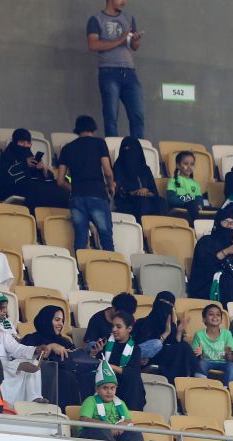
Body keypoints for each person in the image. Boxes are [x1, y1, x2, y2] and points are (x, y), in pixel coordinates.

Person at [56, 115, 115, 252]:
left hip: (77, 197)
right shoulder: (99, 143)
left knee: (81, 238)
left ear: (77, 129)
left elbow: (59, 181)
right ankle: (110, 267)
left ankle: (80, 269)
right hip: (97, 194)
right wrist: (111, 185)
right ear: (93, 128)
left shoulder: (67, 148)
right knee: (105, 235)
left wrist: (73, 188)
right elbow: (108, 172)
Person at [87, 0, 145, 139]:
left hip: (130, 72)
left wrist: (136, 40)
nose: (124, 2)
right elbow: (93, 45)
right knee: (111, 117)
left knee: (137, 116)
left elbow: (134, 46)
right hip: (109, 72)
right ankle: (113, 151)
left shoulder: (129, 18)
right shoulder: (96, 19)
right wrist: (120, 39)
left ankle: (138, 151)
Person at [21, 305, 84, 407]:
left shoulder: (65, 342)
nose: (61, 324)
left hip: (67, 385)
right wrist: (50, 347)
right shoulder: (31, 339)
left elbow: (77, 360)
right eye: (57, 320)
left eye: (62, 320)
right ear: (46, 320)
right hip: (41, 383)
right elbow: (27, 363)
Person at [0, 128, 69, 210]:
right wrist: (24, 164)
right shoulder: (8, 156)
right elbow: (0, 176)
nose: (25, 145)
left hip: (31, 186)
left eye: (28, 143)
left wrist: (44, 170)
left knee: (59, 187)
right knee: (38, 189)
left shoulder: (29, 155)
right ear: (15, 142)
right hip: (14, 189)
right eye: (21, 142)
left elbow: (39, 176)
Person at [188, 206, 233, 303]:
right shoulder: (206, 241)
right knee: (228, 280)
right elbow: (205, 265)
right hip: (206, 284)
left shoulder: (232, 246)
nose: (229, 225)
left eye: (232, 223)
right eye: (226, 222)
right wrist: (226, 251)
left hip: (228, 283)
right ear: (217, 224)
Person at [133, 290, 197, 383]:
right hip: (149, 359)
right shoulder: (142, 323)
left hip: (169, 358)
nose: (166, 306)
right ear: (156, 303)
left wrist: (179, 332)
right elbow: (143, 347)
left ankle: (188, 381)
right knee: (183, 348)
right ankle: (197, 376)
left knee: (184, 347)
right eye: (163, 302)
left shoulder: (172, 326)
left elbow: (176, 344)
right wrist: (166, 333)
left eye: (170, 304)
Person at [78, 359, 144, 441]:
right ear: (97, 389)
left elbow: (129, 421)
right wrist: (106, 426)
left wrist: (122, 425)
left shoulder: (120, 402)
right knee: (102, 430)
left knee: (134, 432)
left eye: (112, 388)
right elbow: (84, 420)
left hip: (116, 436)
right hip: (91, 436)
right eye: (105, 388)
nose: (109, 391)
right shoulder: (91, 400)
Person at [95, 310, 146, 411]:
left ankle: (130, 414)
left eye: (118, 327)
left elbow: (132, 372)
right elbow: (96, 363)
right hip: (106, 380)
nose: (114, 329)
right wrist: (94, 353)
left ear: (129, 328)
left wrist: (111, 367)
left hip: (125, 384)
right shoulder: (106, 342)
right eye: (113, 326)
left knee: (133, 379)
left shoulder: (135, 348)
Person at [112, 136, 166, 220]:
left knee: (161, 202)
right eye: (125, 149)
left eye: (132, 149)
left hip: (146, 200)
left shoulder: (145, 169)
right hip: (127, 203)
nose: (128, 153)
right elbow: (118, 193)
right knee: (142, 202)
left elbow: (154, 192)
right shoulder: (118, 167)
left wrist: (146, 192)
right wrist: (135, 192)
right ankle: (143, 230)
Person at [192, 303, 233, 386]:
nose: (215, 317)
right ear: (204, 319)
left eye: (218, 315)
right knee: (201, 363)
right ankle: (202, 385)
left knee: (232, 366)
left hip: (223, 363)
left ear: (221, 320)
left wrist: (228, 353)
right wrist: (198, 353)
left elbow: (230, 359)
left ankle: (225, 388)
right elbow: (194, 357)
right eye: (211, 314)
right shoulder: (199, 334)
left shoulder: (227, 334)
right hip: (207, 361)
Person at [167, 151, 212, 226]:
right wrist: (188, 202)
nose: (189, 166)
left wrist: (198, 204)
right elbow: (172, 200)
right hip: (179, 209)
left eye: (192, 164)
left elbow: (199, 200)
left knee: (219, 211)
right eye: (185, 163)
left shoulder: (196, 184)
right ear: (178, 165)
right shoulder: (173, 181)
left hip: (194, 207)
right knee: (193, 204)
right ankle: (196, 226)